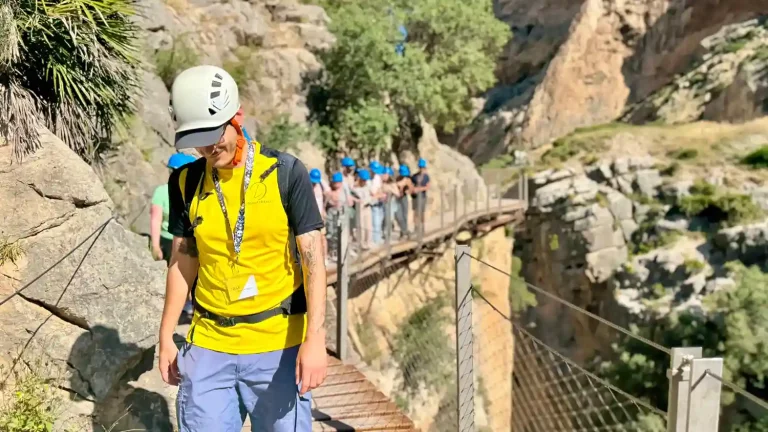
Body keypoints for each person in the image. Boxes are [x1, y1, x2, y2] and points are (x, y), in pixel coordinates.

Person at [158, 65, 327, 432]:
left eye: (213, 133)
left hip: (278, 347)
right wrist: (166, 336)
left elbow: (314, 261)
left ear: (238, 115)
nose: (208, 146)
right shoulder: (184, 182)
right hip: (207, 347)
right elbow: (182, 261)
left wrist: (315, 341)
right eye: (197, 138)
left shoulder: (286, 172)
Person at [150, 152, 197, 264]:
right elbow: (156, 220)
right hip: (166, 242)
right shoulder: (161, 192)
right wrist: (156, 246)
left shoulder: (195, 196)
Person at [324, 172, 345, 261]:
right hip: (331, 214)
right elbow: (325, 204)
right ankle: (332, 252)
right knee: (331, 233)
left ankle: (339, 251)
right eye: (335, 183)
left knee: (340, 233)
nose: (337, 184)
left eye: (338, 183)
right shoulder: (329, 192)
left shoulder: (343, 191)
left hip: (341, 214)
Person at [351, 168, 373, 250]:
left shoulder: (368, 186)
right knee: (361, 227)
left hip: (368, 207)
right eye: (363, 180)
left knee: (369, 227)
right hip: (360, 208)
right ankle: (361, 244)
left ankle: (368, 243)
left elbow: (372, 194)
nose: (365, 181)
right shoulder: (355, 187)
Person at [310, 168, 328, 261]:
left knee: (322, 237)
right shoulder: (306, 185)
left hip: (320, 216)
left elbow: (327, 193)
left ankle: (325, 257)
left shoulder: (321, 184)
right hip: (310, 216)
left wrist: (324, 208)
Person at [411, 158, 431, 236]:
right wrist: (413, 190)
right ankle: (416, 228)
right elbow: (411, 185)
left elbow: (427, 187)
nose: (421, 169)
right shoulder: (414, 176)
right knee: (415, 212)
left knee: (422, 212)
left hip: (422, 196)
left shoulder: (426, 177)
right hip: (415, 197)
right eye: (420, 167)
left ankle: (422, 228)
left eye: (422, 167)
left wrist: (419, 189)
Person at [369, 161, 385, 246]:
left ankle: (378, 239)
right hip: (373, 203)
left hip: (379, 202)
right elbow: (372, 192)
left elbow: (379, 189)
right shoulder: (369, 179)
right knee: (375, 222)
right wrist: (379, 194)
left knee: (379, 221)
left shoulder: (377, 177)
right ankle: (375, 240)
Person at [381, 167, 400, 240]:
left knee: (389, 219)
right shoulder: (382, 183)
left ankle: (388, 234)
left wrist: (390, 190)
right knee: (383, 219)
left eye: (386, 174)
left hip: (390, 203)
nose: (384, 176)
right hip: (383, 203)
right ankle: (383, 233)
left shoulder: (392, 184)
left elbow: (397, 193)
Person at [395, 165, 413, 239]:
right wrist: (401, 186)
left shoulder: (408, 179)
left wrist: (407, 188)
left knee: (404, 215)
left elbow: (411, 190)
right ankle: (405, 231)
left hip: (404, 198)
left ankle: (404, 232)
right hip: (398, 198)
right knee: (399, 216)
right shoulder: (398, 178)